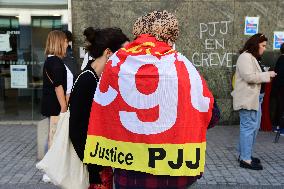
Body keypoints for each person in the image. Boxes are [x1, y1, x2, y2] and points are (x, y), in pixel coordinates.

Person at [83, 10, 218, 189]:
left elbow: (104, 113)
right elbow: (212, 115)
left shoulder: (116, 64)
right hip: (174, 173)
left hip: (130, 173)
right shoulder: (184, 67)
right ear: (170, 38)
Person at [68, 27, 129, 189]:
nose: (127, 57)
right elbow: (76, 130)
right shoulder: (87, 80)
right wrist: (94, 171)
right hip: (93, 168)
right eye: (124, 53)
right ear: (109, 52)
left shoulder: (98, 78)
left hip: (99, 162)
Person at [232, 33, 277, 170]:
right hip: (248, 99)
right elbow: (249, 77)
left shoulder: (252, 57)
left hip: (255, 99)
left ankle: (245, 155)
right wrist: (267, 74)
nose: (264, 48)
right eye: (262, 46)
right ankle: (245, 159)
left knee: (253, 128)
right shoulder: (245, 57)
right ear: (255, 44)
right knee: (248, 128)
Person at [41, 30, 68, 182]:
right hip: (56, 107)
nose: (67, 44)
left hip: (52, 105)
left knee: (53, 136)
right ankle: (50, 171)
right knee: (54, 137)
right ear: (58, 42)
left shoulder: (51, 60)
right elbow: (58, 86)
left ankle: (51, 170)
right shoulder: (55, 62)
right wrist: (64, 107)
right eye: (64, 41)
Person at [272, 43, 284, 135]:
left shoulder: (280, 59)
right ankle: (279, 127)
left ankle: (277, 125)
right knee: (281, 107)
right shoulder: (282, 59)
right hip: (281, 88)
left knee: (279, 106)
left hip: (279, 88)